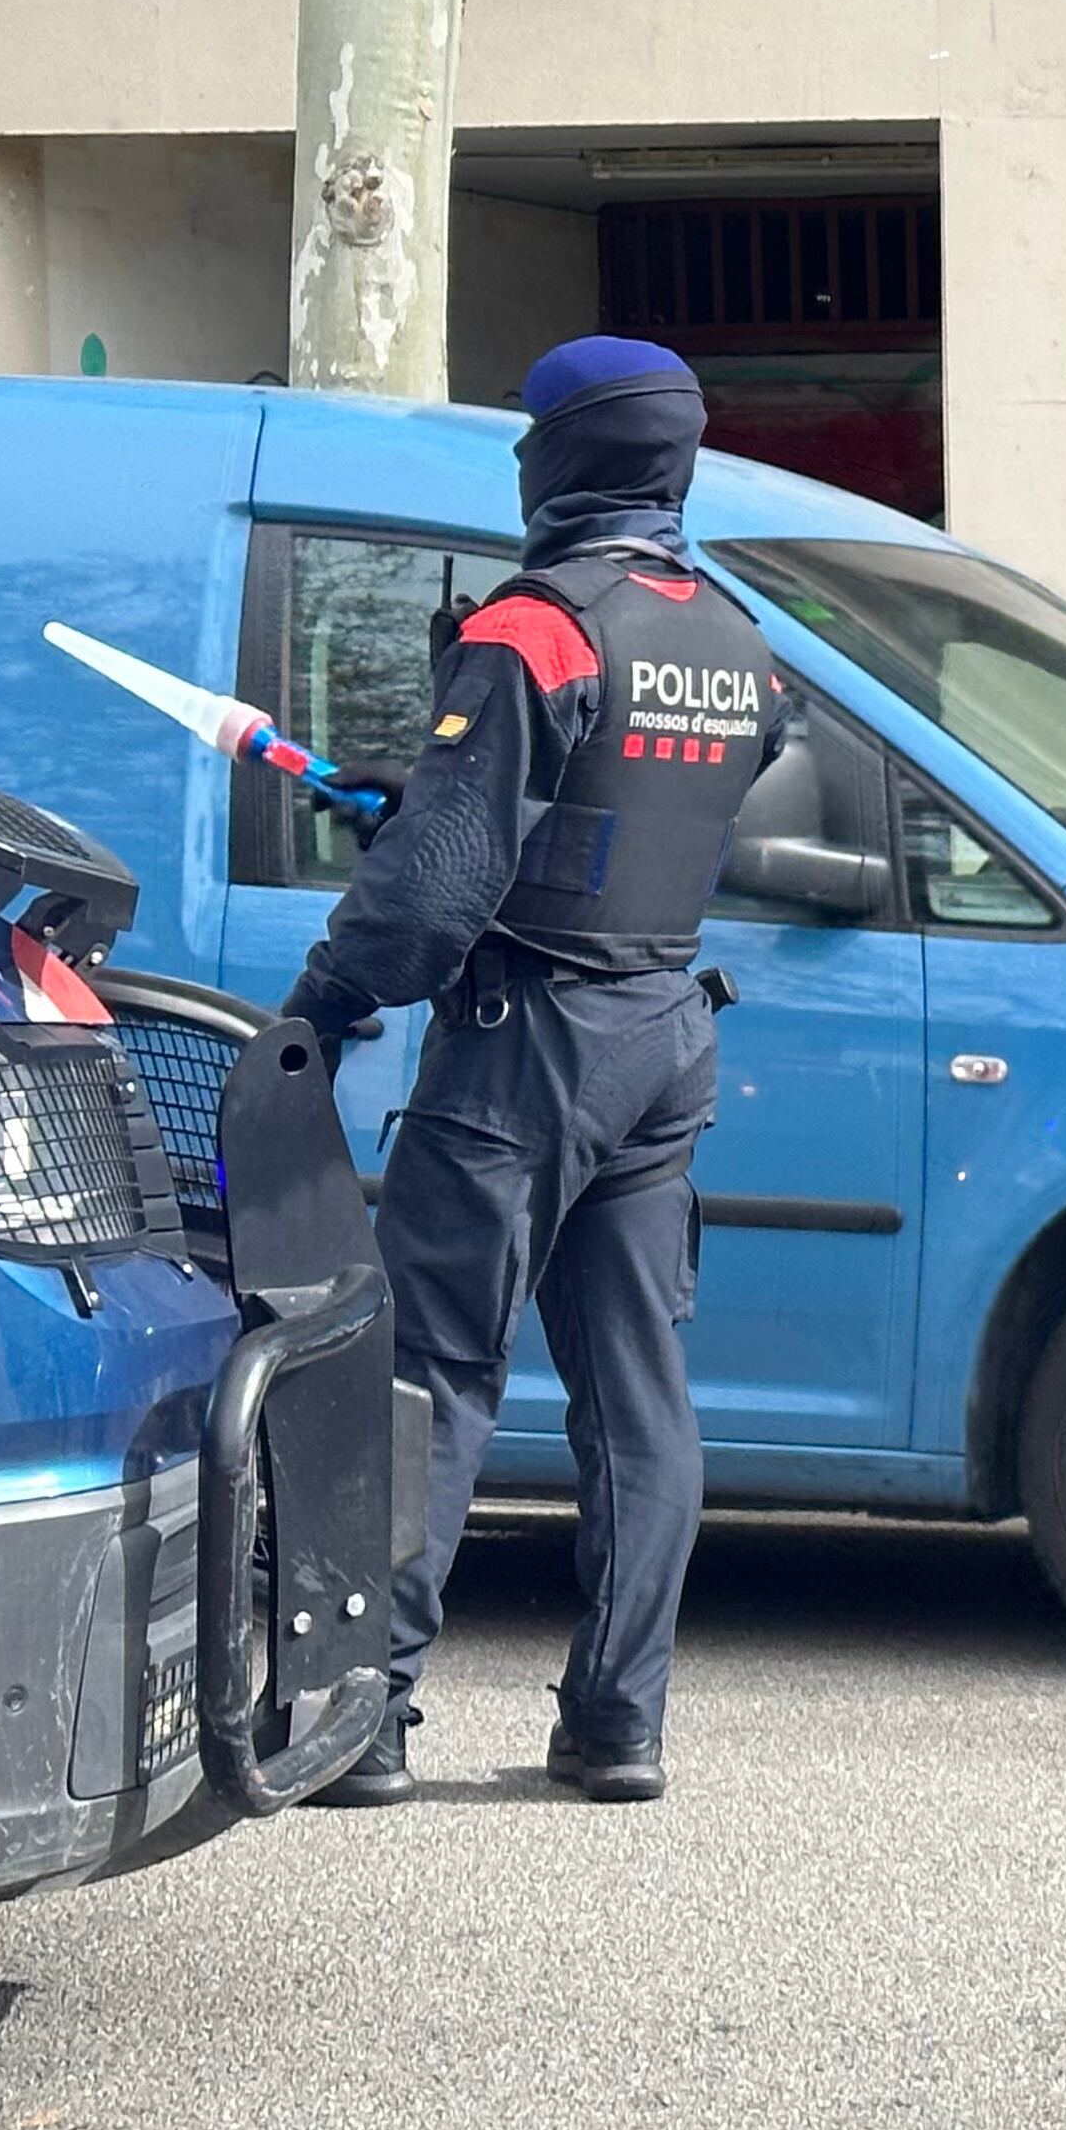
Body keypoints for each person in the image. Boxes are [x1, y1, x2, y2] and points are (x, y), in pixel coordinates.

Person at [302, 338, 789, 1810]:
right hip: (664, 1031)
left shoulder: (541, 628)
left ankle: (363, 1716)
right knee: (639, 1394)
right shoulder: (735, 636)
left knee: (431, 1374)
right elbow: (636, 805)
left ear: (563, 456)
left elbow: (441, 890)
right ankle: (619, 1723)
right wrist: (449, 785)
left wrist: (329, 998)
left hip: (530, 1046)